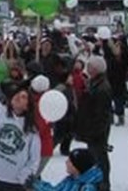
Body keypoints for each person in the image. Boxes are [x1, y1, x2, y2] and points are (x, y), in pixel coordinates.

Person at [0, 55, 40, 191]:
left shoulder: (31, 129)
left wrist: (25, 176)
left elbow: (34, 159)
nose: (18, 97)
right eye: (16, 94)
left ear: (28, 105)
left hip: (13, 183)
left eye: (23, 97)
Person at [75, 55, 112, 191]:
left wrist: (93, 132)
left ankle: (103, 185)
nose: (87, 68)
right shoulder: (95, 83)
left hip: (97, 131)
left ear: (96, 69)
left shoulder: (102, 88)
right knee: (96, 158)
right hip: (93, 129)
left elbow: (101, 114)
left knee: (99, 160)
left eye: (89, 66)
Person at [32, 148, 103, 191]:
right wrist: (35, 184)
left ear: (77, 167)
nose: (66, 162)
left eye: (69, 161)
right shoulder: (71, 179)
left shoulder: (87, 188)